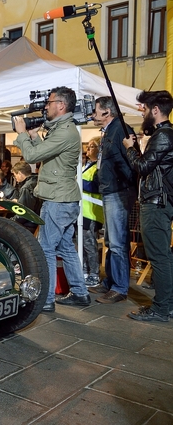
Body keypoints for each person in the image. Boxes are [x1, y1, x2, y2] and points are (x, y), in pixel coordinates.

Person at [13, 86, 89, 312]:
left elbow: (32, 156)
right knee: (65, 248)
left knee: (45, 248)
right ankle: (80, 293)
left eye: (50, 102)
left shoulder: (65, 131)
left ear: (61, 105)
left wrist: (21, 134)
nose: (46, 106)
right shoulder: (63, 129)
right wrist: (35, 136)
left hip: (58, 200)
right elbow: (45, 152)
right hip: (63, 198)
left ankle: (45, 300)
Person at [123, 90, 173, 322]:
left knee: (159, 256)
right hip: (159, 201)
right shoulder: (163, 134)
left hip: (156, 203)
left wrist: (130, 149)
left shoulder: (164, 136)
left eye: (143, 108)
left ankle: (162, 308)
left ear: (155, 110)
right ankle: (166, 305)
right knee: (163, 255)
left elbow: (143, 167)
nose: (141, 112)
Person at [89, 96, 137, 304]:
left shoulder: (121, 130)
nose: (92, 114)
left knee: (117, 242)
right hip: (111, 190)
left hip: (118, 191)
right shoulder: (111, 130)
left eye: (95, 110)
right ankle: (110, 281)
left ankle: (119, 287)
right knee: (110, 240)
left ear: (107, 112)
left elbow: (131, 162)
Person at [82, 137, 104, 288]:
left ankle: (94, 274)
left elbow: (96, 186)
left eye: (90, 147)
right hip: (83, 211)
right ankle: (84, 271)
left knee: (89, 244)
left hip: (91, 211)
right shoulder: (89, 165)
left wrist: (78, 181)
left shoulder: (99, 167)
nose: (87, 150)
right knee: (83, 243)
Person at [11, 160, 41, 232]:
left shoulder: (26, 188)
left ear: (20, 173)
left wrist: (10, 221)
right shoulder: (37, 182)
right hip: (37, 222)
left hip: (28, 225)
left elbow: (24, 213)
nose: (16, 179)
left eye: (15, 176)